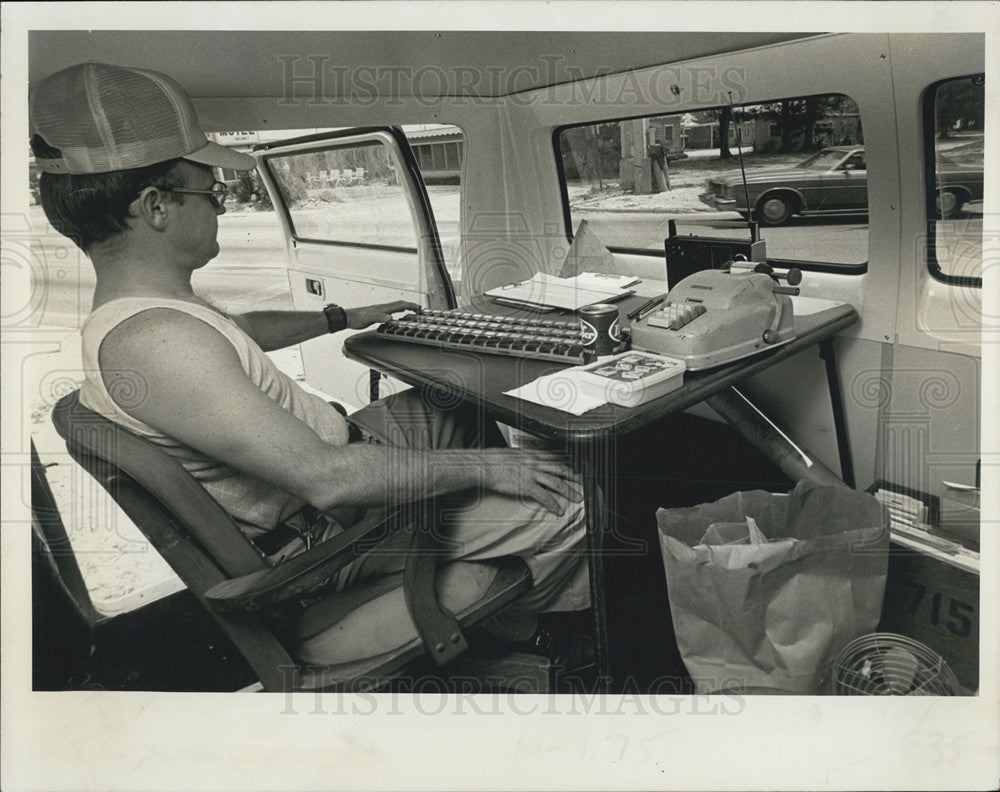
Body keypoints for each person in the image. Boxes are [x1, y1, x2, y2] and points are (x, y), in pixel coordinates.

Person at [31, 62, 591, 669]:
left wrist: (342, 316)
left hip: (339, 464)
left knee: (452, 402)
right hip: (338, 527)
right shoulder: (157, 345)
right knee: (578, 504)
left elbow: (236, 334)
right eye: (210, 193)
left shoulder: (146, 314)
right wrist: (489, 466)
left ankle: (505, 575)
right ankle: (530, 637)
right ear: (155, 206)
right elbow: (330, 479)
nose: (219, 207)